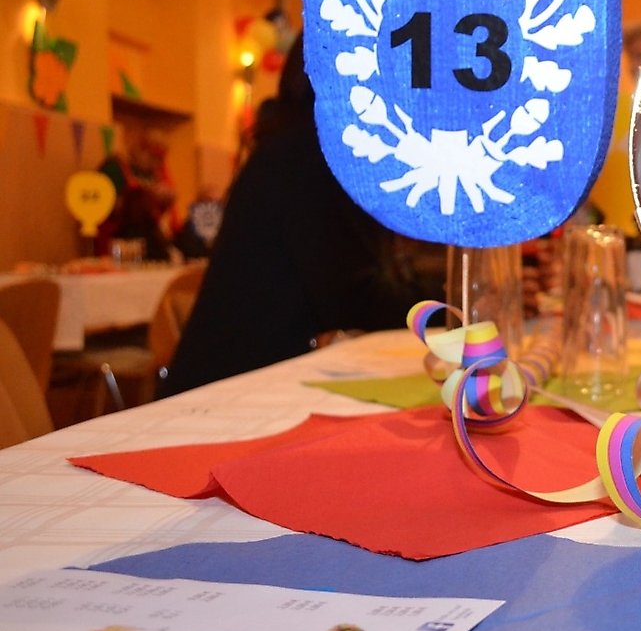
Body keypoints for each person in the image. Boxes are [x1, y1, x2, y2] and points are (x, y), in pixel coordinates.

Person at [162, 36, 423, 396]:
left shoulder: (294, 147)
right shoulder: (313, 156)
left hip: (244, 385)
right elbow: (358, 300)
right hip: (226, 401)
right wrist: (459, 302)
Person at [96, 130, 177, 261]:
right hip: (118, 238)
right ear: (139, 149)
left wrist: (166, 200)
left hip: (147, 238)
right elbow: (105, 206)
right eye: (153, 157)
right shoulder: (115, 168)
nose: (156, 164)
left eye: (160, 160)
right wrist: (144, 197)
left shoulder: (153, 174)